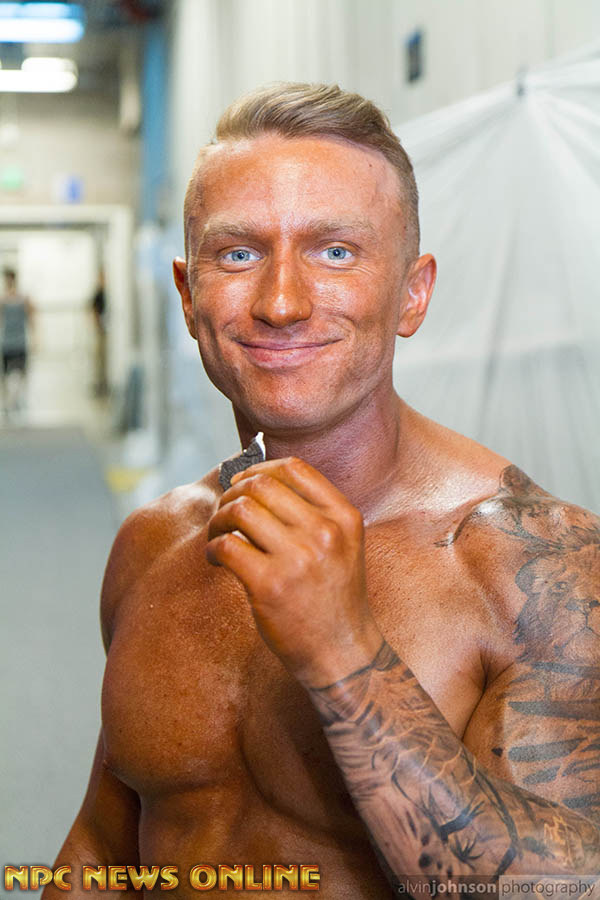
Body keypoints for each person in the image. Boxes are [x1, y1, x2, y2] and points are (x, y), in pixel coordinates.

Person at [44, 83, 599, 897]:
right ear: (189, 296)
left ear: (412, 292)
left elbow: (564, 889)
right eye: (239, 255)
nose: (282, 302)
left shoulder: (535, 568)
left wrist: (345, 654)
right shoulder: (155, 543)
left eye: (335, 252)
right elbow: (104, 845)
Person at [1, 267, 33, 418]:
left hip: (20, 340)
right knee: (6, 374)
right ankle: (9, 402)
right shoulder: (2, 300)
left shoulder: (23, 299)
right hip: (7, 341)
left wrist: (36, 337)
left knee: (21, 373)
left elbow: (31, 317)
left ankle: (17, 400)